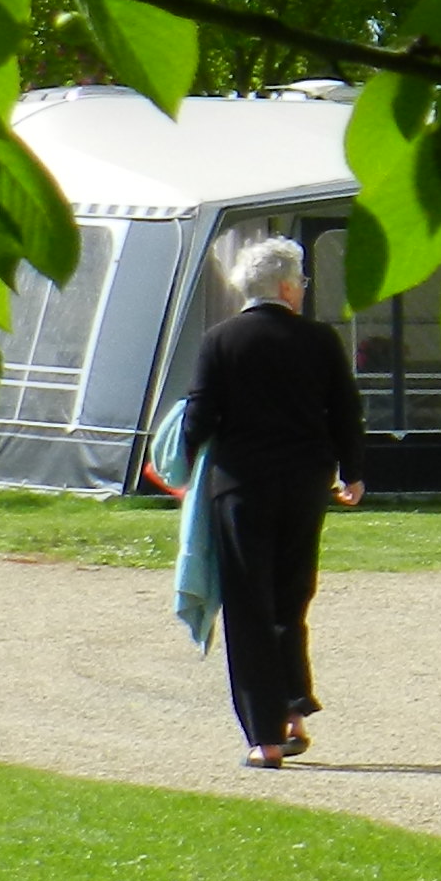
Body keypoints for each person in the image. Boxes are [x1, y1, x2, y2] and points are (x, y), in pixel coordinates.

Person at [178, 235, 364, 768]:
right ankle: (293, 708)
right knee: (291, 598)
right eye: (301, 281)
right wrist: (352, 473)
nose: (302, 290)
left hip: (241, 487)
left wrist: (185, 469)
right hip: (305, 484)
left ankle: (265, 737)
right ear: (286, 286)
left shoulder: (220, 340)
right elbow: (345, 411)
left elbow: (200, 414)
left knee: (249, 607)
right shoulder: (320, 340)